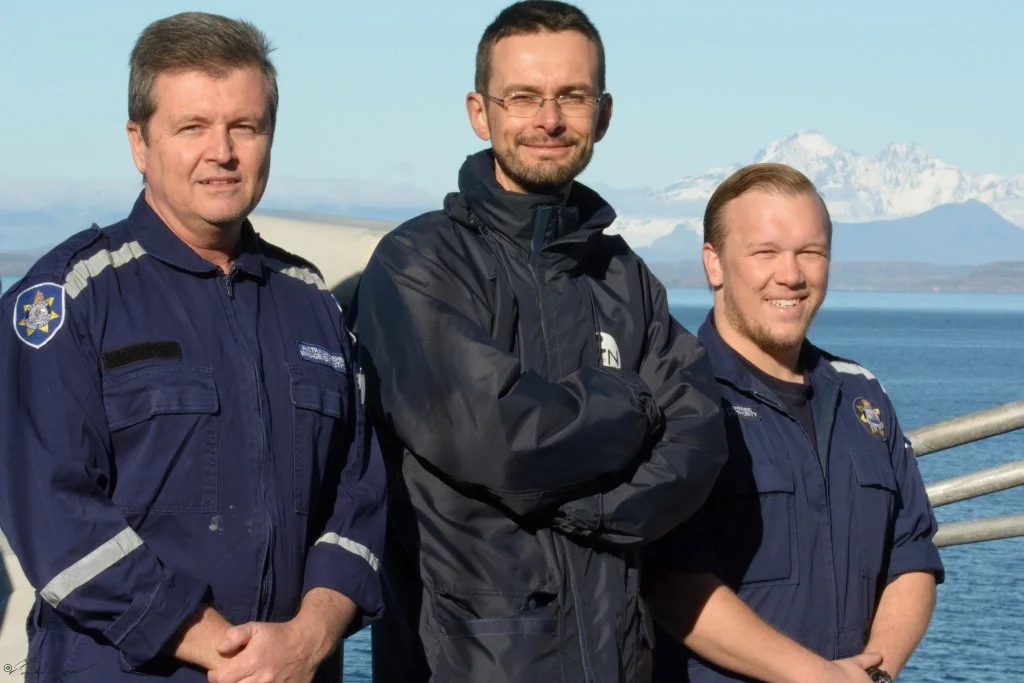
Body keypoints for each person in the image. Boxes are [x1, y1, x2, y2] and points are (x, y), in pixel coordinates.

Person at [0, 12, 385, 683]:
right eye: (192, 127)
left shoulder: (313, 306)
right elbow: (54, 517)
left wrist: (310, 634)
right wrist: (218, 644)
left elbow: (360, 495)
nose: (224, 151)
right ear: (139, 143)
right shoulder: (68, 300)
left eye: (246, 126)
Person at [348, 2, 727, 681]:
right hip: (465, 661)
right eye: (523, 97)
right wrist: (632, 406)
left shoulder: (623, 276)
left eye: (571, 97)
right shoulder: (419, 263)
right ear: (479, 110)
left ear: (603, 114)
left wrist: (591, 509)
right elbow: (496, 435)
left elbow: (699, 439)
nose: (548, 120)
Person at [645, 163, 944, 683]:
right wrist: (818, 677)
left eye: (811, 252)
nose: (792, 274)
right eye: (765, 252)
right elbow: (669, 578)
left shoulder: (863, 396)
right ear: (714, 264)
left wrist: (873, 674)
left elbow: (911, 553)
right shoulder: (676, 397)